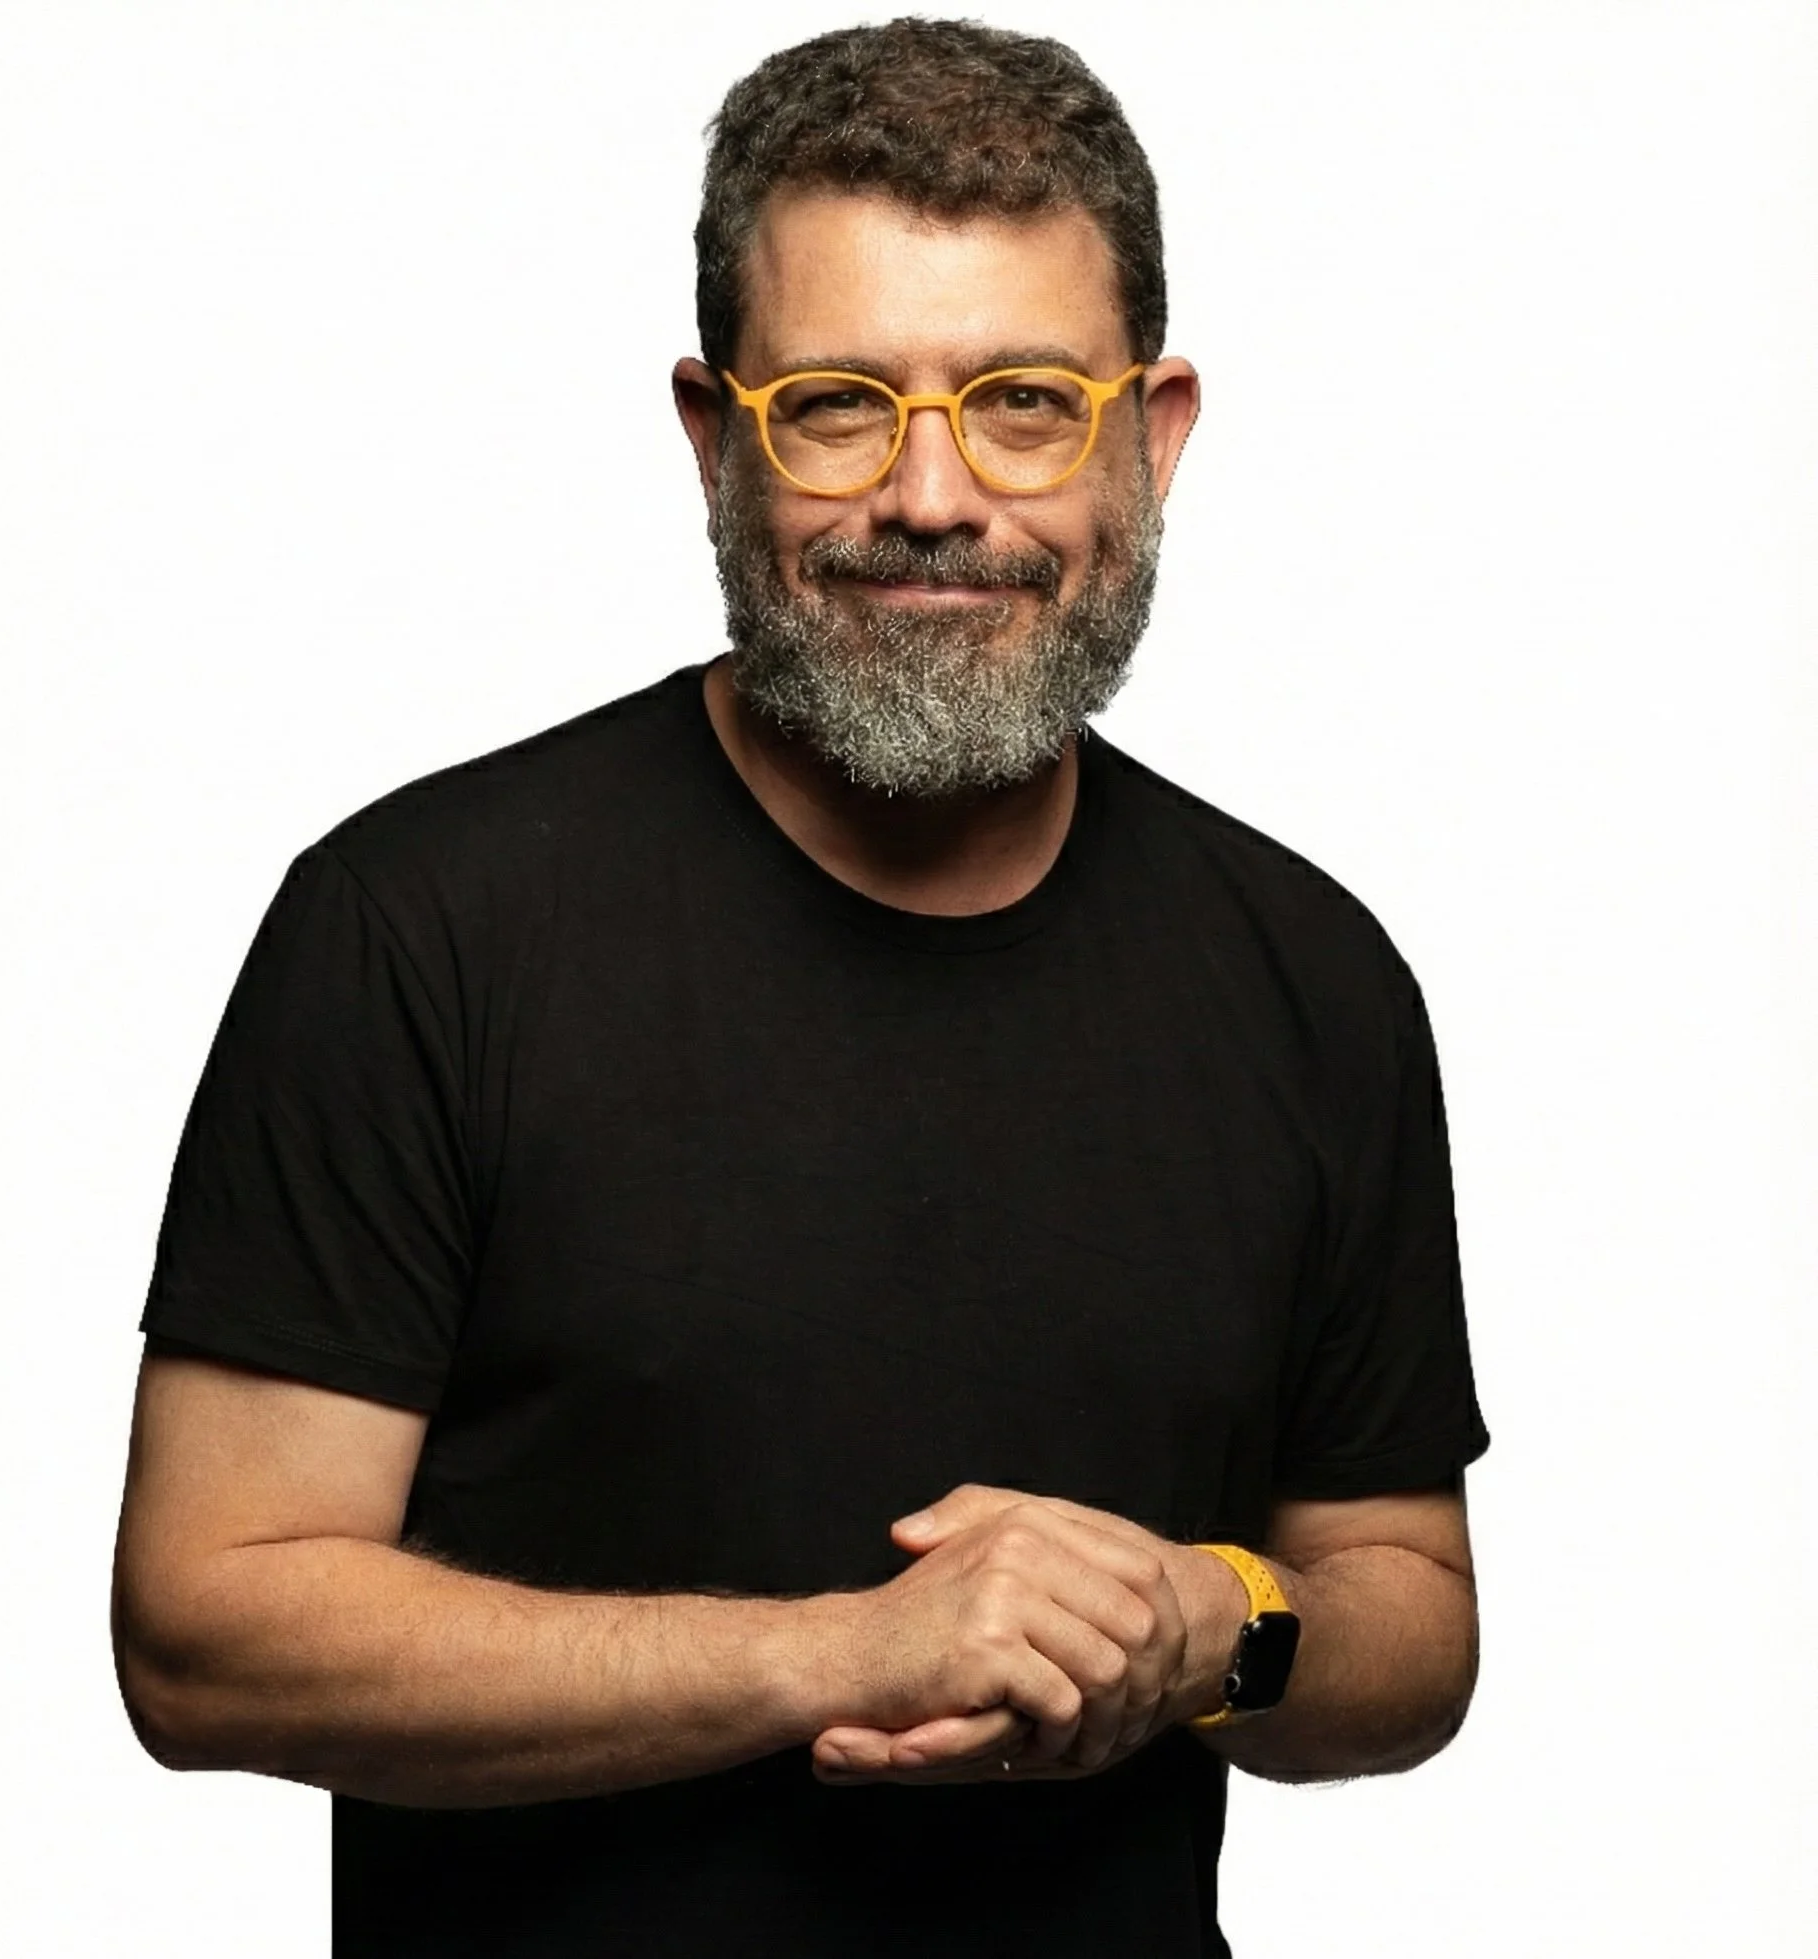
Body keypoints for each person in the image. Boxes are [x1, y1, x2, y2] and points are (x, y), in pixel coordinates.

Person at [112, 19, 1489, 1957]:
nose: (933, 496)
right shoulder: (413, 930)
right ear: (710, 431)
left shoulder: (1316, 982)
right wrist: (830, 1656)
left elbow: (1407, 1616)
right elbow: (203, 1626)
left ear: (1149, 433)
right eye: (837, 405)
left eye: (1023, 402)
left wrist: (1208, 1631)